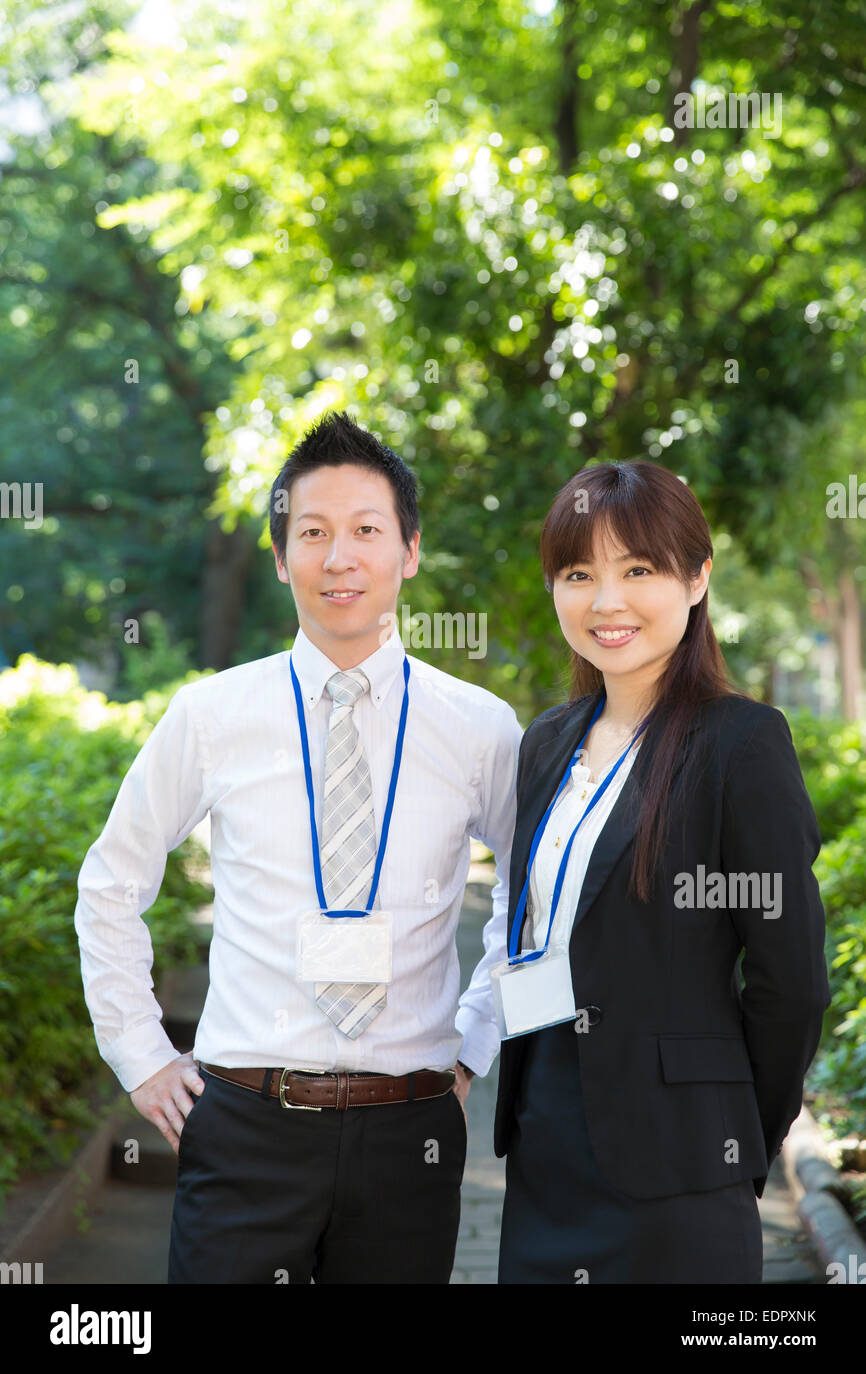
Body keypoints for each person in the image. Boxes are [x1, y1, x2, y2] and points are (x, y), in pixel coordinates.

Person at [74, 410, 522, 1284]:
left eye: (366, 530)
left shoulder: (479, 729)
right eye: (312, 532)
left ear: (410, 549)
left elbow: (530, 898)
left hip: (411, 1129)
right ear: (282, 558)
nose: (339, 556)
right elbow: (112, 880)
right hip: (246, 1124)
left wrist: (475, 1042)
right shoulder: (212, 716)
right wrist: (140, 1055)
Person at [492, 459, 831, 1284]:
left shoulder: (742, 744)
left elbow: (791, 983)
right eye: (579, 574)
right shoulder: (545, 743)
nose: (606, 601)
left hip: (681, 1168)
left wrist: (739, 1143)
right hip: (545, 1150)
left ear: (697, 577)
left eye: (637, 569)